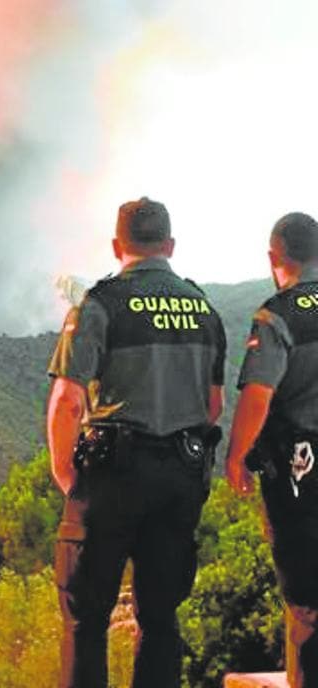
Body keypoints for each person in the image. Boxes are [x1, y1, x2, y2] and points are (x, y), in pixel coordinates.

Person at [46, 197, 226, 688]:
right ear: (169, 245)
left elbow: (66, 400)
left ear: (115, 245)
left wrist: (68, 477)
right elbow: (214, 407)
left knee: (86, 620)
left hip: (111, 479)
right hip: (180, 481)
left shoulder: (100, 304)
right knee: (161, 618)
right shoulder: (202, 307)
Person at [226, 212, 318, 688]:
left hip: (302, 472)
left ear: (274, 258)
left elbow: (258, 395)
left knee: (305, 598)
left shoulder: (278, 315)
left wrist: (236, 456)